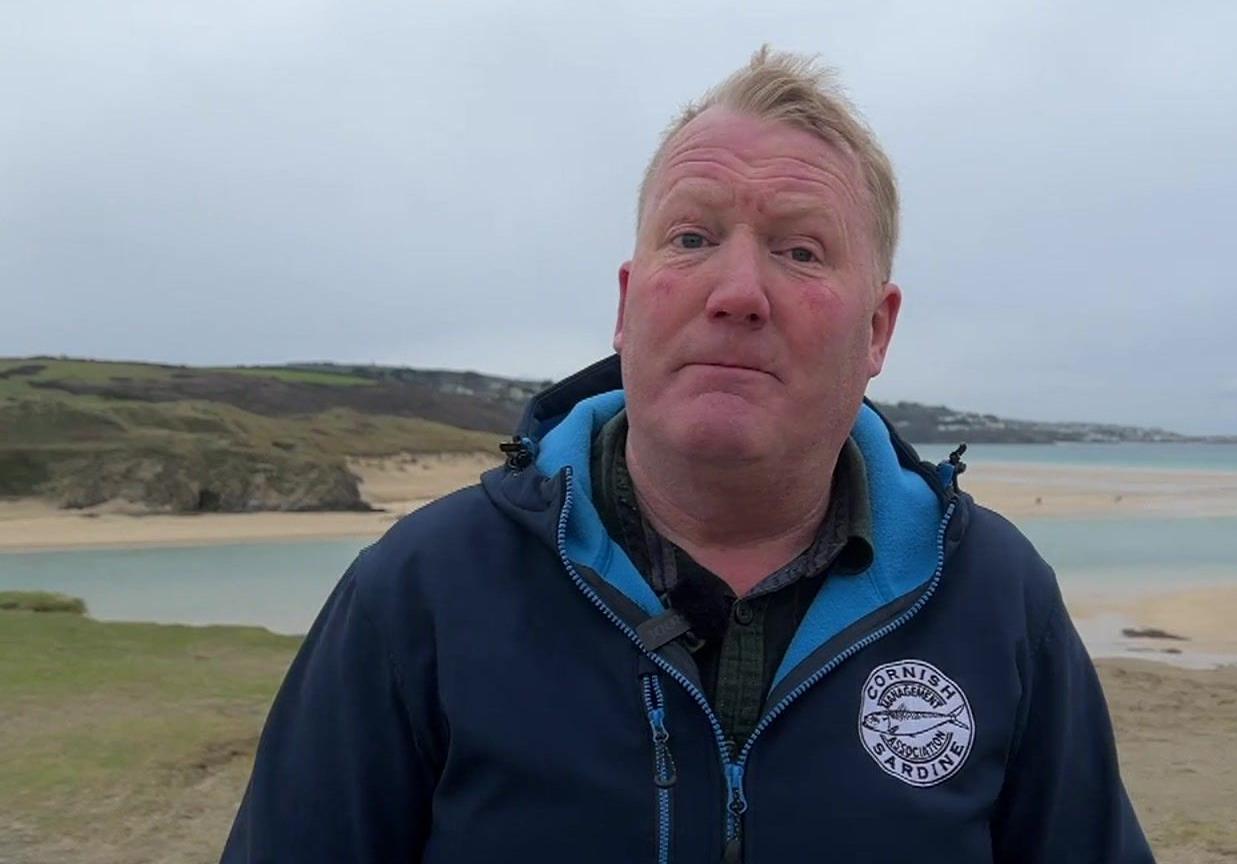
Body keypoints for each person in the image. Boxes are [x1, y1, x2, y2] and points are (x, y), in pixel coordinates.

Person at [221, 46, 1154, 863]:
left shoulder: (994, 598)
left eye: (799, 251)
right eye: (693, 237)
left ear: (877, 329)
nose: (737, 290)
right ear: (629, 304)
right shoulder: (419, 592)